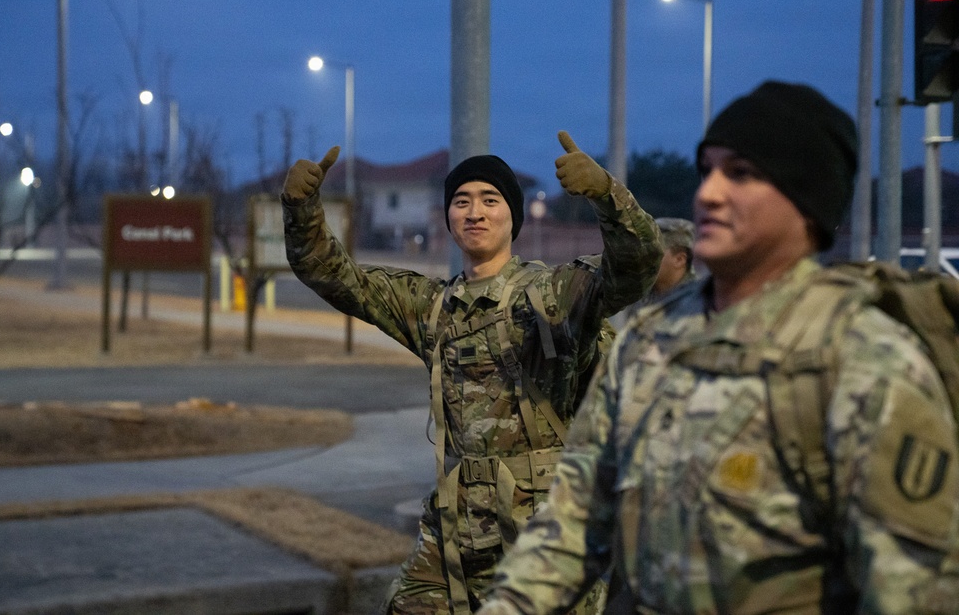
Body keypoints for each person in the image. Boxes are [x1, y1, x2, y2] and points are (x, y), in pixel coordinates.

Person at [476, 81, 959, 614]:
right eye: (707, 170)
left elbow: (914, 593)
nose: (708, 193)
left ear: (808, 201)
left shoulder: (863, 358)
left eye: (741, 174)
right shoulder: (651, 339)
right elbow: (573, 521)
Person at [281, 131, 662, 614]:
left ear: (513, 216)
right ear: (448, 217)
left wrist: (607, 193)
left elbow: (637, 267)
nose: (474, 211)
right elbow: (335, 276)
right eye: (461, 201)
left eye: (490, 199)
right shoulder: (432, 306)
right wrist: (300, 210)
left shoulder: (554, 295)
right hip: (455, 528)